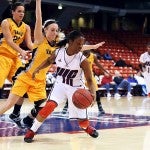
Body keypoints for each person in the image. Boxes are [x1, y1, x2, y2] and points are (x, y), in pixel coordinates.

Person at [0, 0, 105, 128]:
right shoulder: (39, 39)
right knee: (9, 104)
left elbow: (75, 46)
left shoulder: (57, 46)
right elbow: (39, 18)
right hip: (26, 77)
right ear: (45, 30)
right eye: (52, 30)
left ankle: (27, 120)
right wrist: (38, 2)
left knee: (45, 108)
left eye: (56, 30)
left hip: (39, 82)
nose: (55, 33)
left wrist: (93, 46)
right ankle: (16, 115)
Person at [24, 29, 100, 143]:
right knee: (48, 107)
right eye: (78, 44)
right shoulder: (58, 52)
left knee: (82, 122)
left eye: (82, 44)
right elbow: (49, 60)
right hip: (60, 85)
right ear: (70, 41)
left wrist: (93, 93)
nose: (80, 47)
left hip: (76, 89)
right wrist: (38, 68)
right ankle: (32, 131)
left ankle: (86, 128)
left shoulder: (83, 60)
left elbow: (89, 79)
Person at [0, 2, 33, 118]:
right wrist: (22, 52)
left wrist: (41, 50)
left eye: (23, 12)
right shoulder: (6, 22)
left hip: (15, 58)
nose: (21, 14)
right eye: (19, 11)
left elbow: (29, 44)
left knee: (21, 83)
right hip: (2, 56)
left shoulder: (26, 27)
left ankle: (15, 114)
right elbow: (9, 41)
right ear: (13, 12)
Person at [62, 47, 106, 116]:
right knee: (72, 91)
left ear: (90, 49)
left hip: (89, 76)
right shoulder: (78, 55)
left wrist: (104, 71)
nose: (85, 50)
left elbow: (98, 64)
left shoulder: (93, 56)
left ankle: (100, 108)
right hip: (79, 75)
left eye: (87, 49)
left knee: (96, 91)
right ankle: (66, 107)